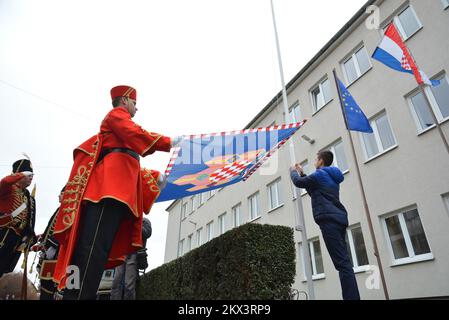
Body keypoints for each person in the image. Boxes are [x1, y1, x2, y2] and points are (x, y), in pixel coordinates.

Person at [52, 85, 178, 300]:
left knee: (96, 254)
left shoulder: (121, 140)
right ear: (125, 101)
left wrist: (158, 177)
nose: (136, 109)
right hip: (106, 192)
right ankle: (76, 296)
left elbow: (130, 166)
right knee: (91, 252)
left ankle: (76, 295)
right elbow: (135, 136)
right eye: (135, 103)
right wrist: (171, 142)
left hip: (116, 193)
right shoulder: (116, 116)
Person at [290, 150, 360, 300]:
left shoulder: (320, 174)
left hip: (329, 221)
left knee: (342, 264)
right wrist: (302, 173)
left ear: (321, 161)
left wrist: (293, 172)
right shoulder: (330, 177)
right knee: (344, 262)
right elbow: (313, 190)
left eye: (316, 159)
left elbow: (299, 183)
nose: (314, 162)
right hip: (338, 220)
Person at [110, 168, 164, 300]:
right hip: (121, 253)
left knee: (129, 284)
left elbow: (147, 233)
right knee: (116, 283)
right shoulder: (123, 220)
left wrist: (135, 224)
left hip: (133, 255)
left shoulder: (145, 221)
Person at [0, 159, 36, 279]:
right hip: (3, 233)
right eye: (28, 174)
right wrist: (21, 173)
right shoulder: (8, 188)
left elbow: (29, 222)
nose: (31, 178)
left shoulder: (29, 198)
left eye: (32, 175)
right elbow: (4, 182)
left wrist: (30, 239)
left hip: (14, 239)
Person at [32, 186, 65, 300]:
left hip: (56, 252)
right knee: (45, 284)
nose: (59, 196)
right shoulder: (60, 209)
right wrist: (42, 241)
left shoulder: (67, 211)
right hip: (49, 249)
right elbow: (50, 229)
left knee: (50, 285)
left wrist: (53, 246)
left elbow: (63, 231)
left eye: (61, 193)